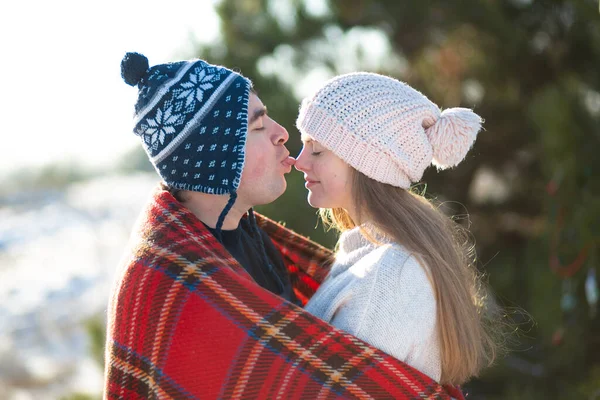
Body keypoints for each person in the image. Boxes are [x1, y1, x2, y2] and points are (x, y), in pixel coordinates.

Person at [104, 53, 465, 399]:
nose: (281, 134)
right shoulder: (172, 284)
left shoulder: (262, 246)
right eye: (259, 125)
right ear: (216, 155)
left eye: (318, 148)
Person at [295, 72, 502, 387]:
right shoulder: (367, 254)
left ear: (363, 160)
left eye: (317, 149)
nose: (299, 161)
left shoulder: (391, 273)